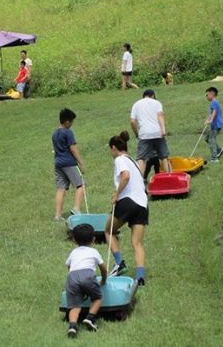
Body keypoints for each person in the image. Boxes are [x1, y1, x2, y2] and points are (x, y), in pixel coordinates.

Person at [104, 131, 148, 286]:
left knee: (108, 230)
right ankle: (140, 277)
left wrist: (117, 193)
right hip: (142, 204)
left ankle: (119, 263)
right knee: (137, 243)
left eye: (110, 149)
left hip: (128, 201)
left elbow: (126, 176)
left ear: (114, 148)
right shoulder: (133, 161)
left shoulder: (120, 159)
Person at [65, 223, 108, 338]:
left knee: (74, 305)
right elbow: (103, 269)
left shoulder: (73, 252)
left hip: (72, 277)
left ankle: (72, 326)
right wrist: (103, 280)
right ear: (93, 239)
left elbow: (69, 267)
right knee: (98, 298)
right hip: (88, 275)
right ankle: (90, 318)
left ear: (74, 240)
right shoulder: (94, 252)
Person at [52, 108, 86, 221]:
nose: (72, 124)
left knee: (61, 189)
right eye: (71, 122)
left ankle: (57, 215)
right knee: (80, 185)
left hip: (58, 163)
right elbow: (73, 148)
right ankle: (76, 208)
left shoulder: (55, 133)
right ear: (67, 122)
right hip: (69, 163)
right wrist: (81, 162)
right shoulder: (68, 132)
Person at [130, 89, 170, 176]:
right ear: (153, 95)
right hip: (158, 133)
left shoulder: (136, 104)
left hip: (144, 134)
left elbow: (132, 122)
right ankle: (169, 177)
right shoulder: (157, 103)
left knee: (141, 158)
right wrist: (163, 129)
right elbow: (160, 115)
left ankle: (139, 180)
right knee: (164, 156)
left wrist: (137, 134)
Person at [205, 87, 223, 163]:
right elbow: (211, 113)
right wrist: (208, 119)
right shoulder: (214, 102)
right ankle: (218, 149)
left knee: (211, 140)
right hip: (214, 124)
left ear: (212, 94)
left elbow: (214, 112)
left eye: (207, 95)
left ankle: (214, 158)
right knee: (207, 138)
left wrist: (210, 120)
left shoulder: (214, 102)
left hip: (216, 125)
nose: (206, 97)